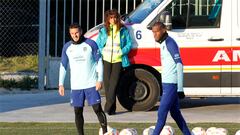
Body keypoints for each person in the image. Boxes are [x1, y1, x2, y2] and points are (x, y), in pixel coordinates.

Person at [58, 23, 107, 135]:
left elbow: (99, 61)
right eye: (72, 33)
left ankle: (105, 132)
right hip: (76, 86)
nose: (75, 35)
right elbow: (63, 66)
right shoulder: (67, 47)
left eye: (76, 33)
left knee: (97, 109)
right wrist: (61, 83)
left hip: (91, 83)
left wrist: (99, 79)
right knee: (77, 112)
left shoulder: (91, 44)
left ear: (81, 31)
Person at [151, 22, 191, 135]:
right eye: (153, 32)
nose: (154, 34)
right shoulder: (163, 43)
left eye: (157, 31)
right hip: (166, 84)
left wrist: (180, 88)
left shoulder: (170, 43)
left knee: (161, 114)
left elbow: (179, 64)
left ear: (163, 30)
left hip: (171, 85)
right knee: (175, 114)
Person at [96, 9, 132, 115]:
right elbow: (98, 44)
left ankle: (107, 108)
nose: (114, 19)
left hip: (118, 60)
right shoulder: (103, 30)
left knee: (114, 85)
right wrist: (102, 52)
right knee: (107, 86)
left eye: (115, 17)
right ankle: (112, 110)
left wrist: (121, 51)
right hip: (106, 60)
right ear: (108, 18)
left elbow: (129, 44)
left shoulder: (123, 30)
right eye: (111, 17)